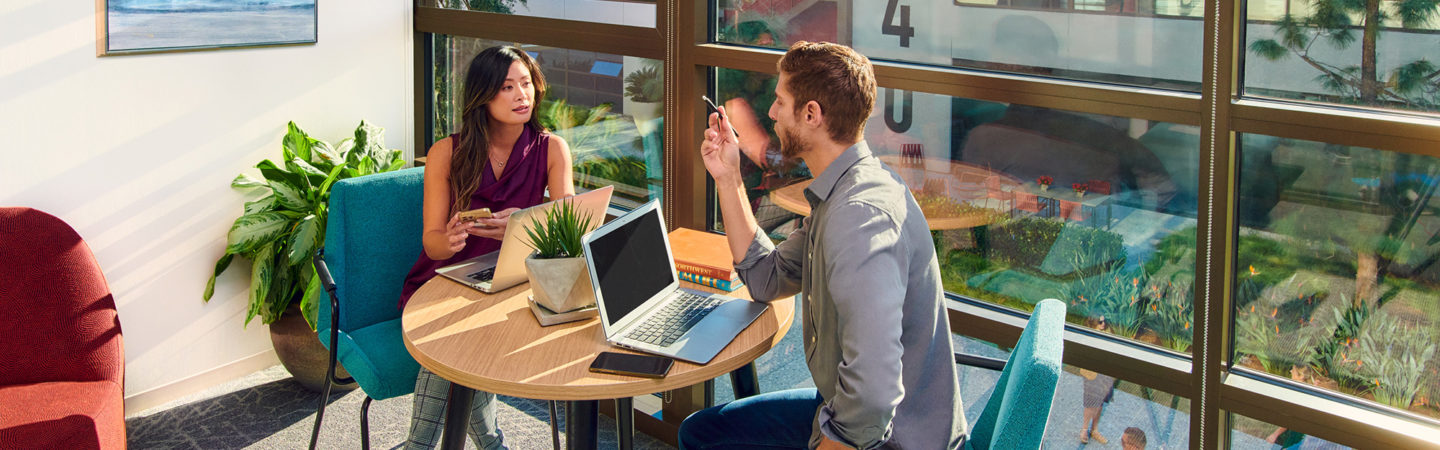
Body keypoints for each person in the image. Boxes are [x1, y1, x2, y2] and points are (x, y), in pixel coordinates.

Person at [680, 41, 966, 449]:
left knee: (704, 439)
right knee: (703, 433)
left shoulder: (859, 219)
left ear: (811, 114)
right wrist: (728, 178)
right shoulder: (843, 191)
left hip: (893, 437)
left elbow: (872, 396)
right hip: (848, 409)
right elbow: (767, 278)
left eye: (781, 101)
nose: (773, 113)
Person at [397, 45, 574, 450]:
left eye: (526, 84)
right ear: (483, 96)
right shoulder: (447, 151)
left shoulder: (552, 149)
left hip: (513, 280)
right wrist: (452, 237)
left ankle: (444, 446)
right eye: (507, 87)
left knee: (462, 344)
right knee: (451, 340)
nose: (521, 95)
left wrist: (520, 226)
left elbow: (567, 229)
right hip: (447, 279)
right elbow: (432, 242)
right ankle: (461, 444)